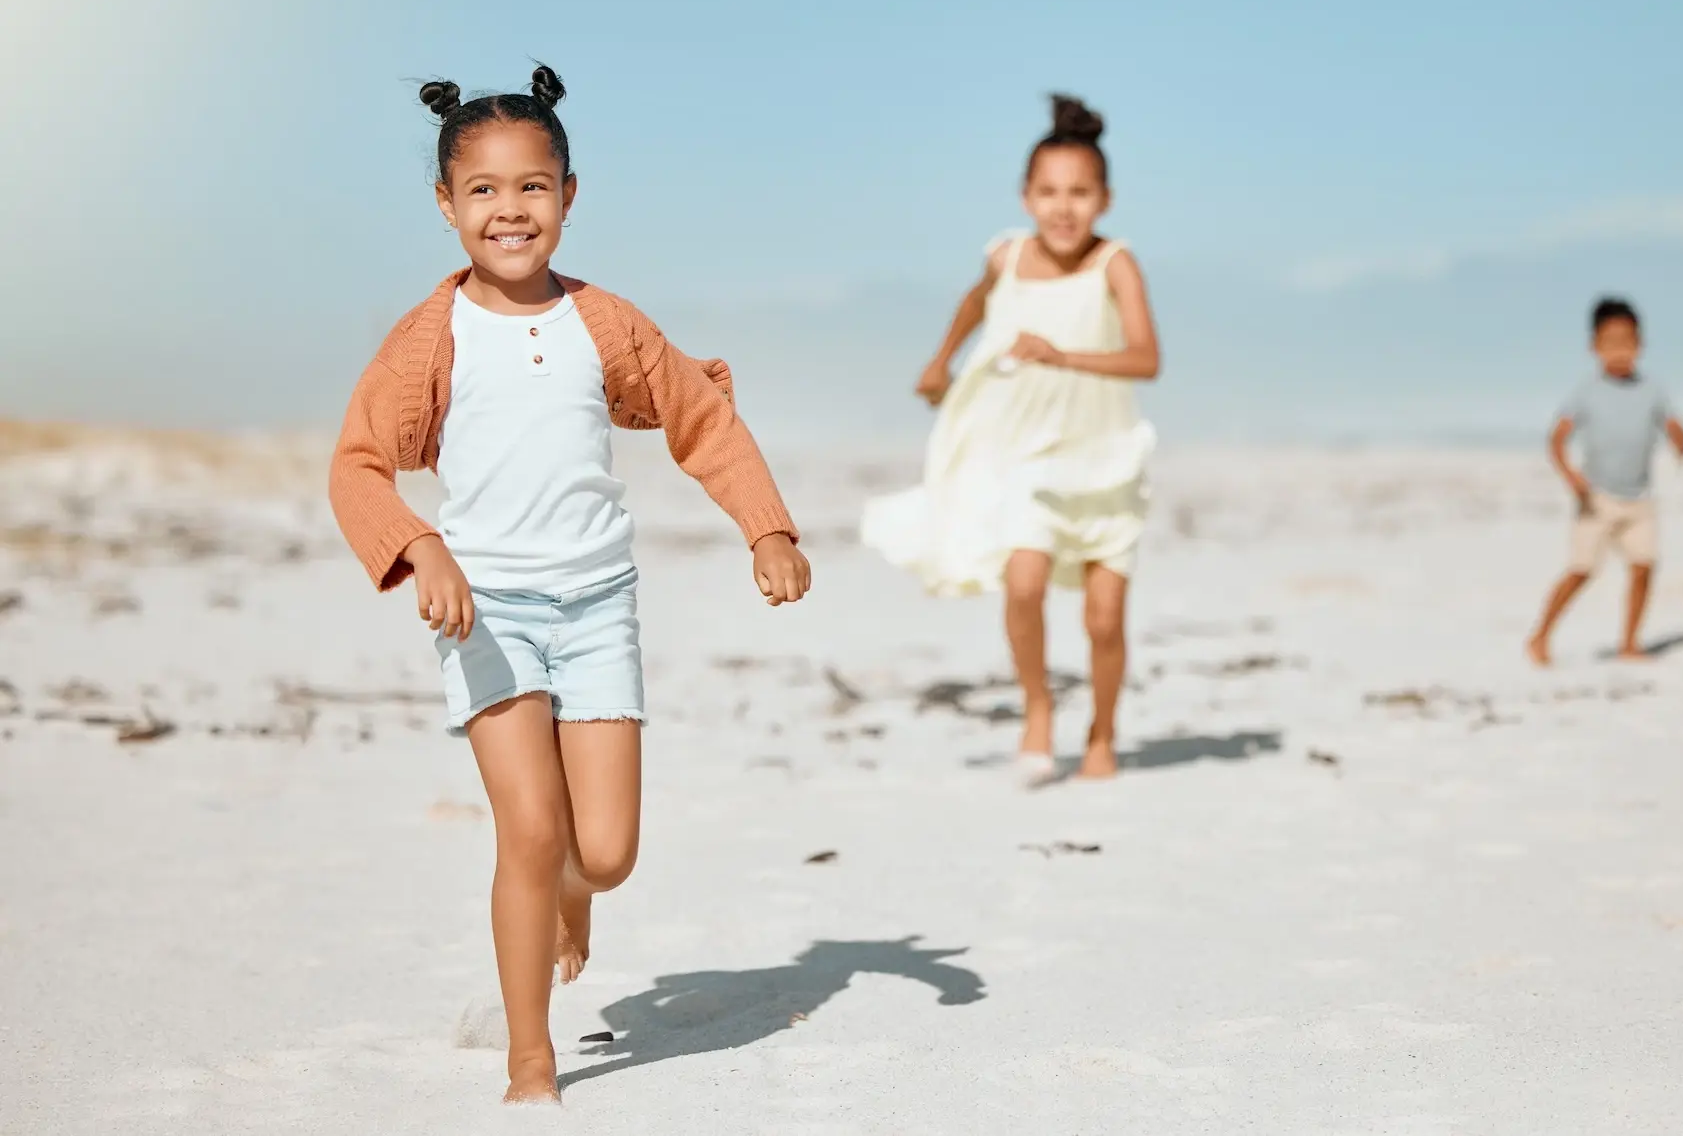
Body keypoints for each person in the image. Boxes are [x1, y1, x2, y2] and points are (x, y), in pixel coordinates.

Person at [328, 66, 810, 1105]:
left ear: (568, 196)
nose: (510, 210)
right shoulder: (428, 340)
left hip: (597, 607)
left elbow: (701, 419)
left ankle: (571, 896)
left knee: (607, 852)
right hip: (488, 611)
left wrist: (766, 527)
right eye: (484, 190)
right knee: (532, 831)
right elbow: (357, 466)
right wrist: (422, 550)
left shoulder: (606, 324)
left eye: (532, 187)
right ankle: (531, 1060)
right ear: (447, 205)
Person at [862, 94, 1160, 782]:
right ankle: (1038, 710)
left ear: (1105, 200)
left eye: (1080, 193)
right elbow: (975, 301)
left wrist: (1061, 356)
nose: (1064, 208)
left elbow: (1147, 359)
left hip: (1107, 460)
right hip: (1029, 458)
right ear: (1026, 197)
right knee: (1022, 583)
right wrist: (941, 360)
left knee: (1104, 619)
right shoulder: (1008, 256)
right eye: (1049, 193)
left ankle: (1103, 731)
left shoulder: (1115, 264)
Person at [1528, 297, 1683, 666]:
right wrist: (1571, 476)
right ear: (1594, 347)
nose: (1620, 351)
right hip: (1596, 498)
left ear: (1641, 344)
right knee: (1582, 570)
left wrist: (1682, 440)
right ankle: (1540, 635)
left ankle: (1629, 643)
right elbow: (1557, 438)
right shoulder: (1587, 391)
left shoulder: (1652, 390)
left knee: (1644, 566)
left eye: (1627, 342)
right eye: (1611, 342)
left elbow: (1672, 423)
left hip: (1640, 498)